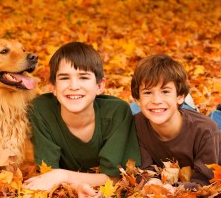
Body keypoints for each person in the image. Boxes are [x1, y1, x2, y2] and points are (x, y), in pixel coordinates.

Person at [24, 42, 141, 196]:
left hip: (135, 110)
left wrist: (63, 175)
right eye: (64, 78)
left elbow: (116, 177)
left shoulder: (117, 112)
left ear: (99, 86)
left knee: (140, 110)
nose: (74, 86)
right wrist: (75, 186)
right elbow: (47, 175)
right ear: (53, 87)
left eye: (83, 77)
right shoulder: (40, 110)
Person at [131, 54, 220, 187]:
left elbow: (206, 181)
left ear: (180, 96)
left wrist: (176, 189)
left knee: (216, 119)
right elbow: (143, 168)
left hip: (212, 132)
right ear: (137, 98)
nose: (156, 100)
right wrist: (151, 182)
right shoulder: (136, 125)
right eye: (148, 92)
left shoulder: (205, 130)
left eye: (165, 91)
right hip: (167, 110)